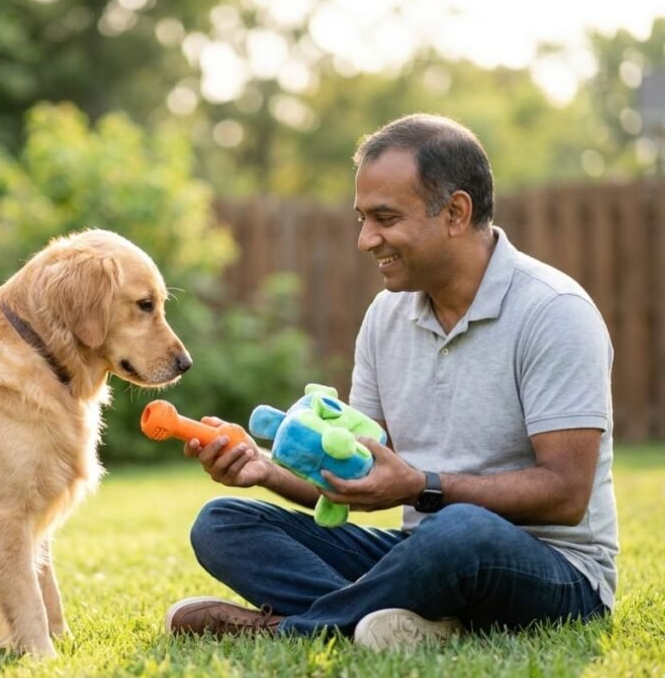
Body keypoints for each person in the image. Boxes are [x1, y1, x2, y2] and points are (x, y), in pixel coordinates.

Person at [165, 113, 617, 649]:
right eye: (362, 218)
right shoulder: (386, 317)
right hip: (421, 551)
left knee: (460, 528)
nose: (365, 239)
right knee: (223, 523)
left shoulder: (553, 311)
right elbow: (361, 475)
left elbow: (567, 494)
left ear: (455, 212)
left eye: (384, 218)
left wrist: (423, 487)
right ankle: (399, 620)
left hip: (556, 572)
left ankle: (294, 630)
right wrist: (262, 470)